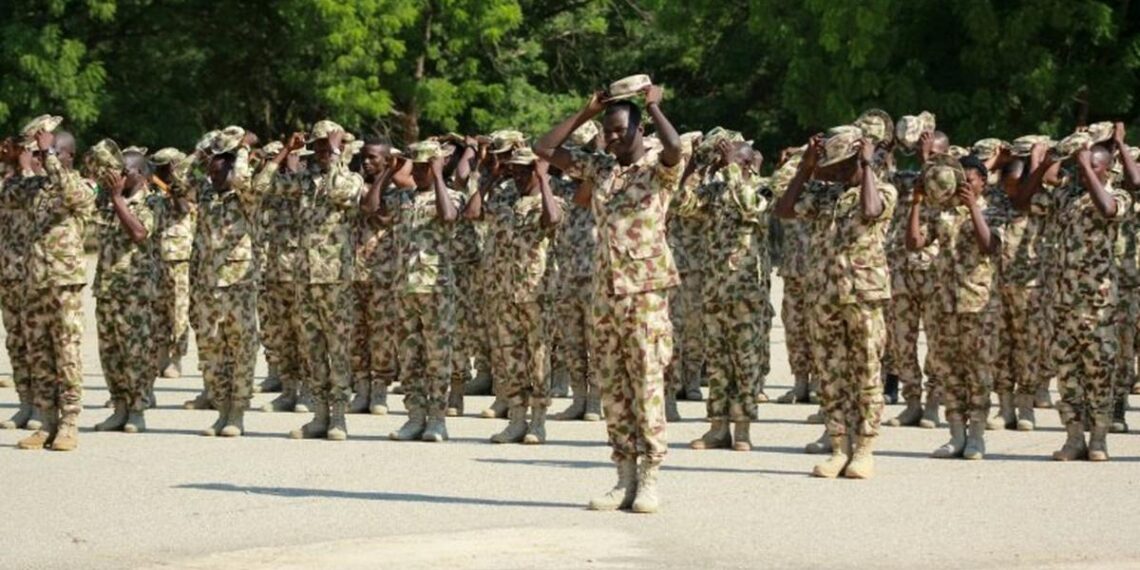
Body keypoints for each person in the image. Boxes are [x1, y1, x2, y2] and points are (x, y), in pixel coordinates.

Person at [535, 79, 683, 513]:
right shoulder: (600, 169)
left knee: (647, 384)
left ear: (639, 131)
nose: (614, 138)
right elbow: (544, 149)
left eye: (621, 130)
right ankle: (623, 477)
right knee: (615, 389)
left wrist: (653, 107)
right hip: (606, 293)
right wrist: (585, 112)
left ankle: (650, 478)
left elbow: (675, 149)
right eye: (609, 132)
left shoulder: (659, 167)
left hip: (646, 293)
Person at [774, 128, 896, 479]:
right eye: (835, 167)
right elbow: (785, 209)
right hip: (824, 296)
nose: (839, 174)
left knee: (867, 373)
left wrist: (867, 166)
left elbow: (871, 211)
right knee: (830, 374)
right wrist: (806, 167)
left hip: (863, 296)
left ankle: (864, 449)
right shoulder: (823, 195)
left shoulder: (883, 189)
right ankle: (839, 447)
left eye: (845, 166)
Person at [1022, 134, 1127, 461]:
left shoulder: (1116, 194)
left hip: (1098, 307)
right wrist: (1044, 164)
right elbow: (1026, 199)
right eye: (1081, 169)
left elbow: (1109, 210)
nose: (1084, 174)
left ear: (1107, 170)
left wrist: (1085, 164)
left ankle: (1098, 439)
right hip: (1062, 305)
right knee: (1067, 376)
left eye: (1093, 168)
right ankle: (1073, 437)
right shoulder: (1063, 195)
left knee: (1100, 374)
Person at [258, 122, 363, 441]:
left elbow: (338, 191)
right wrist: (286, 151)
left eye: (326, 146)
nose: (321, 151)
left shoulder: (351, 178)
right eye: (317, 146)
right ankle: (320, 414)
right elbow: (261, 186)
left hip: (335, 279)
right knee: (312, 349)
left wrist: (336, 155)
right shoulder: (303, 180)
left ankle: (339, 418)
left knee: (338, 349)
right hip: (304, 277)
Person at [464, 146, 564, 444]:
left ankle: (538, 421)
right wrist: (490, 180)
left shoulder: (551, 199)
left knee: (538, 357)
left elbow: (554, 220)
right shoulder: (504, 199)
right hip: (502, 292)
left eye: (525, 171)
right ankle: (517, 419)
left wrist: (543, 180)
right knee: (509, 357)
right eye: (515, 170)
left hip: (536, 293)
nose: (519, 176)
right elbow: (471, 212)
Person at [676, 139, 770, 451]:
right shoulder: (714, 190)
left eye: (733, 159)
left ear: (745, 162)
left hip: (746, 291)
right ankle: (717, 428)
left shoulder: (763, 188)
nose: (726, 163)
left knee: (744, 361)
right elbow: (680, 203)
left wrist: (731, 169)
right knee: (717, 362)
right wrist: (693, 166)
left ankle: (742, 430)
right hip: (715, 288)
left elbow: (750, 206)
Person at [366, 140, 460, 443]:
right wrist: (387, 174)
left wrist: (439, 177)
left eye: (425, 168)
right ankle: (414, 417)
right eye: (416, 168)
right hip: (404, 288)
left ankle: (437, 419)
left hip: (436, 289)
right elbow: (370, 208)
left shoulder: (451, 195)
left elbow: (448, 217)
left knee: (437, 357)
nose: (419, 173)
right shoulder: (403, 198)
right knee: (409, 357)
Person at [910, 155, 1004, 459]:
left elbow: (989, 244)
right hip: (943, 304)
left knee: (978, 371)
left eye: (969, 179)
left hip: (977, 305)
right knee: (948, 371)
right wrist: (916, 203)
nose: (963, 184)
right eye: (958, 179)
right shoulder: (941, 214)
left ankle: (976, 436)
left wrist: (973, 207)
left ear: (982, 182)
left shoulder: (994, 209)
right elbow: (914, 243)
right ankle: (956, 434)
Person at [17, 117, 95, 451]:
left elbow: (74, 194)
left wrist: (47, 154)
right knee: (40, 355)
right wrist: (17, 155)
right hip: (36, 282)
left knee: (67, 354)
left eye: (49, 153)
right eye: (38, 153)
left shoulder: (82, 185)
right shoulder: (35, 189)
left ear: (67, 156)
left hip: (65, 283)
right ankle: (46, 422)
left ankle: (69, 423)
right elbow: (7, 191)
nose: (41, 158)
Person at [180, 127, 261, 438]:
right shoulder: (205, 193)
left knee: (241, 350)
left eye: (218, 164)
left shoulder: (247, 196)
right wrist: (201, 150)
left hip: (237, 287)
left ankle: (237, 413)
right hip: (206, 286)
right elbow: (180, 179)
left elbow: (242, 178)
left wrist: (242, 149)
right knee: (212, 351)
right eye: (210, 165)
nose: (211, 170)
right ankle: (221, 409)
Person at [92, 143, 164, 433]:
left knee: (135, 353)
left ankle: (137, 410)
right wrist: (110, 195)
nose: (118, 175)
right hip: (108, 288)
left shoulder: (153, 202)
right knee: (110, 354)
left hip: (136, 291)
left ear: (143, 174)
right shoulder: (109, 200)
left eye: (126, 171)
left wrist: (117, 199)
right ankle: (119, 407)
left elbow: (138, 233)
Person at [349, 137, 410, 416]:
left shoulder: (400, 193)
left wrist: (388, 175)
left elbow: (374, 208)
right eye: (364, 157)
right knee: (357, 334)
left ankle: (379, 391)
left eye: (374, 158)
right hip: (354, 272)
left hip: (383, 274)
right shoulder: (354, 185)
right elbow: (365, 204)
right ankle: (361, 389)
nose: (367, 162)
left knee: (382, 335)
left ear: (388, 160)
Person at [256, 141, 313, 414]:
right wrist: (278, 161)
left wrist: (294, 167)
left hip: (303, 273)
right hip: (275, 271)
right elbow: (259, 185)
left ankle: (308, 392)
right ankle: (289, 390)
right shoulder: (273, 191)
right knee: (282, 335)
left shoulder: (311, 185)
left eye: (298, 160)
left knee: (305, 335)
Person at [0, 137, 42, 432]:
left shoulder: (38, 182)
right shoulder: (9, 181)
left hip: (30, 276)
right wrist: (8, 164)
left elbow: (34, 200)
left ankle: (42, 407)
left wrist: (26, 167)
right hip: (7, 275)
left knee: (36, 346)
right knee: (15, 343)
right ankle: (24, 403)